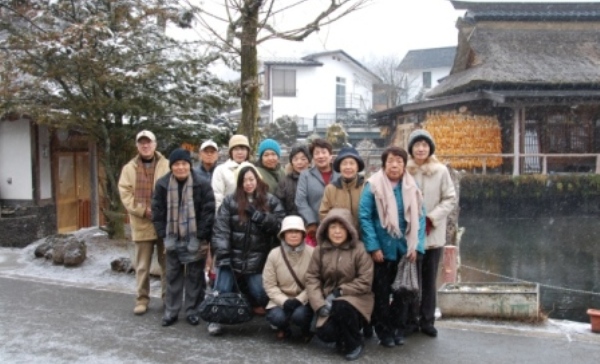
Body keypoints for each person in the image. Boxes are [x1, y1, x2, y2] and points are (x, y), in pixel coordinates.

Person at [359, 146, 426, 348]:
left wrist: (416, 246)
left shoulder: (411, 186)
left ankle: (398, 329)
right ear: (384, 164)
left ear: (404, 164)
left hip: (405, 250)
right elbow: (364, 217)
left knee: (402, 294)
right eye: (390, 161)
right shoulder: (373, 185)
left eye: (399, 161)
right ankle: (384, 331)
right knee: (381, 293)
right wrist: (373, 247)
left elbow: (420, 218)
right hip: (382, 250)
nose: (395, 165)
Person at [209, 163, 285, 335]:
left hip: (257, 258)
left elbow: (280, 224)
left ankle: (275, 319)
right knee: (222, 289)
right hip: (232, 256)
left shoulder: (270, 200)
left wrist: (260, 217)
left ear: (257, 179)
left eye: (251, 179)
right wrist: (223, 254)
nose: (248, 183)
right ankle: (215, 319)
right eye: (244, 180)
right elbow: (220, 229)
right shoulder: (230, 201)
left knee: (261, 292)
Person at [151, 148, 215, 327]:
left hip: (195, 237)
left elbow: (208, 212)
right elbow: (158, 212)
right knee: (172, 275)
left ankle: (193, 310)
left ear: (189, 165)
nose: (180, 168)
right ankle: (171, 311)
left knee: (195, 276)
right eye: (177, 164)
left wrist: (200, 237)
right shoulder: (163, 184)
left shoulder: (201, 184)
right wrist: (164, 236)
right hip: (173, 237)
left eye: (184, 164)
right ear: (171, 166)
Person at [305, 208, 374, 361]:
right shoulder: (320, 250)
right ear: (326, 229)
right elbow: (312, 278)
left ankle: (354, 343)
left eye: (342, 227)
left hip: (357, 299)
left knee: (342, 306)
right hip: (329, 300)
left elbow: (365, 281)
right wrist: (319, 304)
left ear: (349, 229)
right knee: (325, 333)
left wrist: (339, 292)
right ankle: (344, 336)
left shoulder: (359, 249)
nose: (337, 232)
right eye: (333, 227)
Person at [406, 129, 456, 337]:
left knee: (429, 280)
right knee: (410, 280)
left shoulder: (441, 170)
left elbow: (450, 199)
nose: (420, 149)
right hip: (409, 234)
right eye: (417, 145)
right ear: (411, 148)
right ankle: (410, 319)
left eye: (424, 145)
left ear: (430, 148)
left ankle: (427, 320)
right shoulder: (404, 169)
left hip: (433, 234)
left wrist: (431, 218)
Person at [118, 130, 170, 315]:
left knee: (167, 264)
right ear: (137, 146)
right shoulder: (129, 168)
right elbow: (125, 194)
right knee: (142, 266)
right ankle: (141, 299)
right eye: (142, 143)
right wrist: (142, 210)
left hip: (164, 222)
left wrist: (162, 211)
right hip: (141, 222)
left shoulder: (166, 165)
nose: (145, 146)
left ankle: (168, 299)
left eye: (148, 142)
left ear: (155, 144)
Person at [262, 215, 315, 340]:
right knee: (277, 317)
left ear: (303, 234)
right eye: (289, 231)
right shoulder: (274, 254)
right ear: (283, 234)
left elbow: (315, 282)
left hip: (304, 299)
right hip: (279, 299)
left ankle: (305, 329)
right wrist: (283, 301)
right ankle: (283, 328)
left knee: (300, 315)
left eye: (297, 231)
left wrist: (299, 300)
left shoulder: (313, 253)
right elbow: (269, 284)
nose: (293, 235)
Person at [295, 139, 339, 244]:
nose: (320, 156)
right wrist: (312, 222)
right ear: (313, 157)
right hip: (314, 227)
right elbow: (300, 201)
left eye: (324, 152)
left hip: (338, 226)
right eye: (317, 153)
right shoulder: (305, 175)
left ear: (330, 155)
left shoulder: (340, 175)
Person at [319, 146, 365, 230]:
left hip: (364, 236)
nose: (348, 167)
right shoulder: (330, 189)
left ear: (357, 167)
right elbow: (324, 214)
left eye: (351, 163)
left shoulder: (366, 187)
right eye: (344, 164)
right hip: (340, 237)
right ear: (339, 167)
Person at [212, 134, 251, 211]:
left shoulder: (252, 169)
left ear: (247, 151)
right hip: (229, 214)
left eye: (243, 149)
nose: (240, 152)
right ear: (231, 152)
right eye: (236, 149)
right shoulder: (221, 170)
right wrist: (221, 217)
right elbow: (217, 197)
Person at [275, 144, 311, 215]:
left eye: (303, 159)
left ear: (309, 161)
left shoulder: (315, 179)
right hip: (291, 222)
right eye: (295, 159)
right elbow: (278, 205)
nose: (299, 162)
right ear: (291, 162)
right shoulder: (284, 182)